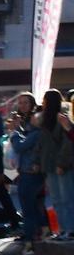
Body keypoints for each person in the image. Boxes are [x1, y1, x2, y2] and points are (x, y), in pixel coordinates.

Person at [38, 89, 74, 240]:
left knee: (67, 198)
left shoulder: (63, 118)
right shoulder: (44, 119)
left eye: (45, 100)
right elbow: (42, 145)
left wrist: (61, 163)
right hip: (49, 164)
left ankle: (70, 230)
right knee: (57, 199)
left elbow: (67, 144)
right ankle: (62, 229)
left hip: (62, 165)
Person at [10, 111, 43, 253]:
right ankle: (38, 234)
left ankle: (29, 241)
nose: (32, 118)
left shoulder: (37, 134)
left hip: (29, 174)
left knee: (28, 209)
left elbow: (20, 146)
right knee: (33, 207)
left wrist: (15, 133)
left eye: (36, 118)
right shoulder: (35, 133)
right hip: (30, 173)